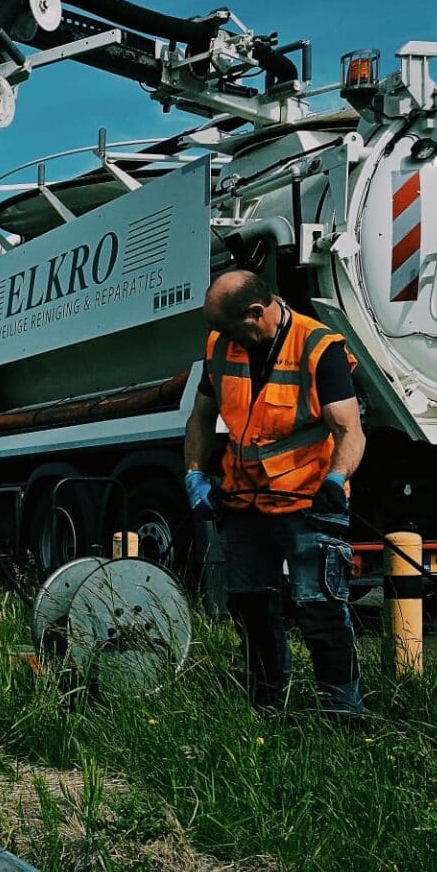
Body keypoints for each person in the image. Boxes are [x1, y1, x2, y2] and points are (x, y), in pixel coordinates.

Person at [182, 270, 367, 719]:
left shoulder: (318, 348)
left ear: (255, 313)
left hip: (306, 502)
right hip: (242, 502)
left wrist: (335, 479)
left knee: (318, 607)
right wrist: (195, 474)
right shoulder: (221, 346)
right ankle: (265, 706)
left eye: (230, 329)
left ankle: (342, 715)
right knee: (252, 608)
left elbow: (349, 430)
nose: (225, 339)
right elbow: (202, 416)